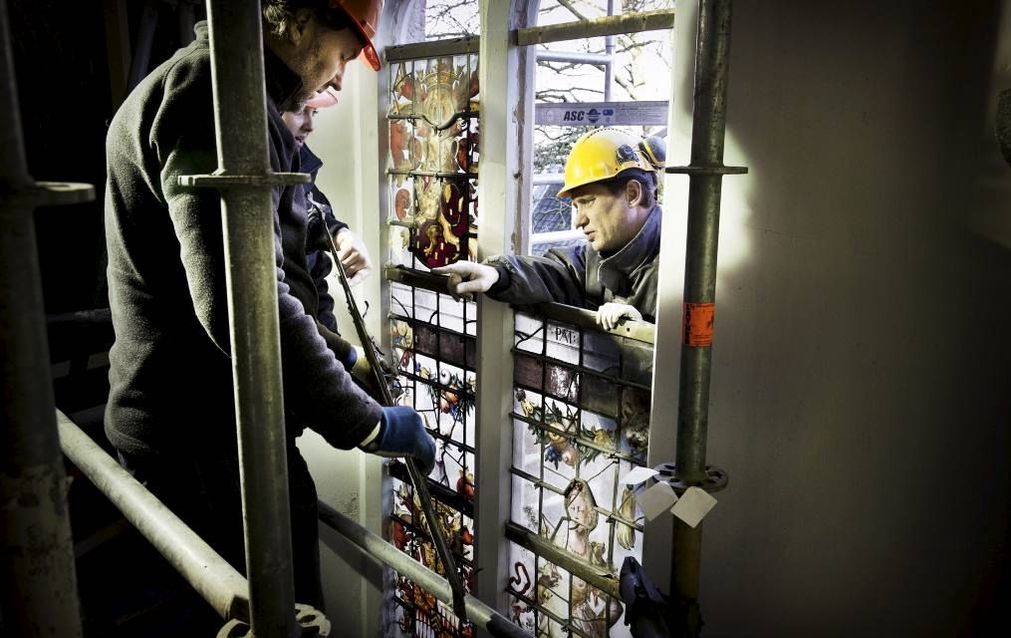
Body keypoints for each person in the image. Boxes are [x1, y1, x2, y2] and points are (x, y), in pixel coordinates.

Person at [103, 0, 433, 622]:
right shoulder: (211, 97)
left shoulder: (229, 97)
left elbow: (268, 279)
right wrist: (366, 423)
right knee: (273, 616)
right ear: (300, 19)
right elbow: (244, 303)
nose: (340, 78)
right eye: (342, 52)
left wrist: (345, 358)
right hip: (199, 448)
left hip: (215, 428)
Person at [432, 127, 665, 330]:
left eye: (588, 201)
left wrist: (644, 336)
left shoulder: (683, 270)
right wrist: (497, 273)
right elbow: (553, 271)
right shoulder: (595, 260)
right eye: (576, 206)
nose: (578, 221)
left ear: (632, 194)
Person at [282, 91, 372, 334]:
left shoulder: (300, 164)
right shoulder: (262, 186)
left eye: (315, 112)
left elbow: (314, 278)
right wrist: (344, 356)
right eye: (301, 110)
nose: (310, 126)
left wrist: (341, 234)